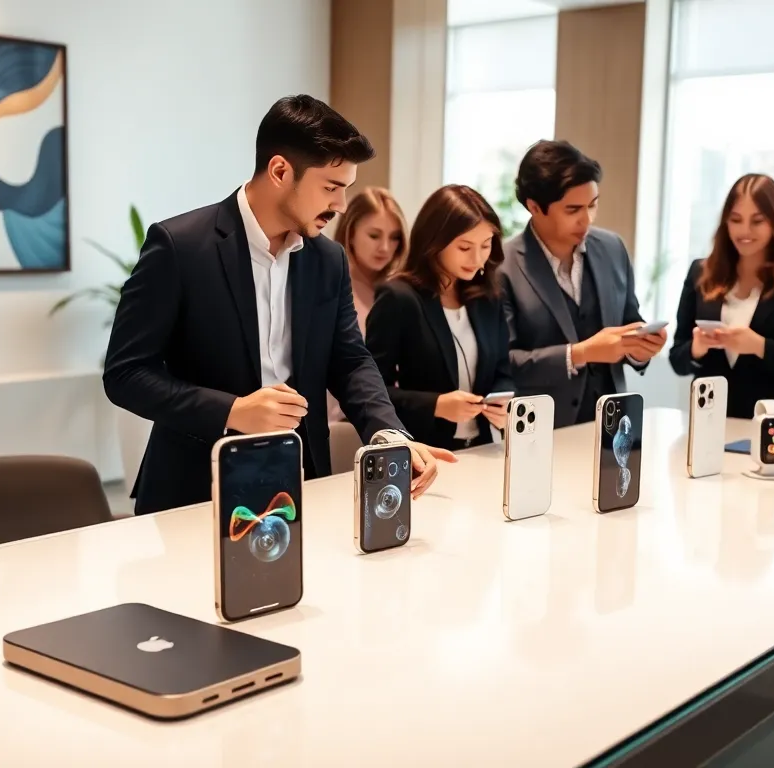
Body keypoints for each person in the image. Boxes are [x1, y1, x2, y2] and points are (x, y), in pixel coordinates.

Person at [103, 95, 456, 515]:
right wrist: (232, 411)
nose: (341, 205)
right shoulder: (180, 246)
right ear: (279, 171)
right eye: (331, 187)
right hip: (195, 489)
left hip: (300, 482)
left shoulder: (327, 259)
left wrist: (390, 434)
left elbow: (350, 360)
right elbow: (125, 373)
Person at [500, 140, 668, 428]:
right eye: (573, 209)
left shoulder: (613, 248)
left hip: (613, 425)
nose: (586, 219)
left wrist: (640, 349)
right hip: (539, 430)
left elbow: (629, 321)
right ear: (534, 207)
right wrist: (579, 354)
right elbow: (503, 364)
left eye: (593, 205)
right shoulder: (503, 265)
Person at [668, 174, 774, 426]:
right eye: (735, 220)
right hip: (709, 423)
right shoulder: (701, 273)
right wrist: (696, 348)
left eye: (757, 221)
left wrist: (760, 346)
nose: (744, 231)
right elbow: (677, 359)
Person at [366, 185, 516, 451]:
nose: (477, 258)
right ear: (435, 242)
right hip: (425, 451)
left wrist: (504, 403)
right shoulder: (399, 298)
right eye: (464, 247)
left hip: (483, 447)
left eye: (485, 245)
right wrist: (436, 405)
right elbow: (372, 389)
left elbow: (503, 370)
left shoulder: (488, 298)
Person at [327, 187, 408, 422]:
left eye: (394, 238)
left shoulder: (401, 293)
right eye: (374, 235)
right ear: (350, 232)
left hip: (391, 421)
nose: (385, 247)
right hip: (335, 423)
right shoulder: (329, 287)